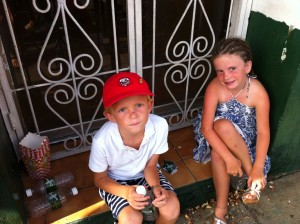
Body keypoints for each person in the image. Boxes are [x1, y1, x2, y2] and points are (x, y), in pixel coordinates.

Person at [193, 38, 271, 224]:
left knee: (221, 141)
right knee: (220, 133)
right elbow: (206, 128)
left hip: (244, 137)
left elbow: (263, 132)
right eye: (220, 71)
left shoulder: (258, 92)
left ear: (247, 66)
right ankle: (223, 206)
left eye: (232, 69)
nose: (225, 76)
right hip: (213, 133)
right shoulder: (215, 87)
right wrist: (229, 157)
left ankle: (251, 173)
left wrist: (259, 167)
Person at [89, 72, 180, 224]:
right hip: (116, 181)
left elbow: (151, 165)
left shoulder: (159, 126)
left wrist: (156, 187)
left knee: (171, 208)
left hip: (147, 173)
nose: (133, 115)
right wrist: (126, 193)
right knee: (131, 219)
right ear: (111, 116)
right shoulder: (102, 141)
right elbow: (100, 179)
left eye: (139, 105)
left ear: (149, 105)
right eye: (122, 109)